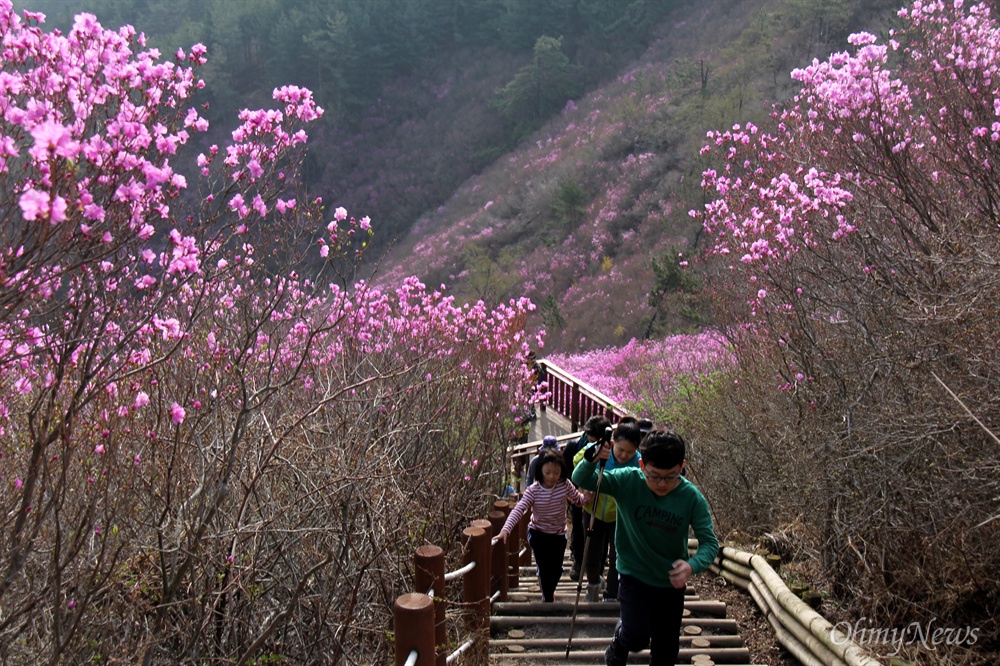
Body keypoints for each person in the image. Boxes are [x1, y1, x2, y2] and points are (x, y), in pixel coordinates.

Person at [572, 429, 719, 666]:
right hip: (633, 574)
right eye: (654, 475)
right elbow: (583, 479)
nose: (662, 483)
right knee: (636, 637)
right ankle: (619, 641)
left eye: (670, 476)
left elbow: (710, 543)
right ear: (641, 465)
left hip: (670, 583)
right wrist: (592, 454)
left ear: (682, 466)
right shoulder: (628, 480)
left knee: (666, 652)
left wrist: (692, 566)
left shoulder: (691, 497)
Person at [498, 449, 587, 602]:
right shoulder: (533, 491)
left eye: (556, 472)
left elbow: (577, 499)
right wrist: (506, 529)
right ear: (540, 471)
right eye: (548, 472)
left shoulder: (564, 485)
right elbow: (520, 509)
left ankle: (548, 589)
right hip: (538, 533)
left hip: (558, 534)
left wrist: (587, 497)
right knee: (545, 567)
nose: (552, 476)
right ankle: (548, 598)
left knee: (557, 568)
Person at [573, 421, 642, 602]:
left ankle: (612, 593)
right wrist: (584, 487)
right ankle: (594, 583)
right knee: (592, 553)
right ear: (612, 443)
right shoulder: (599, 449)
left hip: (620, 515)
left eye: (630, 451)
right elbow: (577, 462)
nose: (624, 455)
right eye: (620, 450)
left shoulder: (638, 462)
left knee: (617, 555)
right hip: (593, 510)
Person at [564, 415, 611, 581]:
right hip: (578, 496)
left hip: (604, 500)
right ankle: (578, 562)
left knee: (601, 536)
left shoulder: (611, 449)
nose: (591, 442)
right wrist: (576, 491)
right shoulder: (575, 446)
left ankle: (597, 567)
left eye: (594, 439)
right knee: (578, 527)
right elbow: (567, 471)